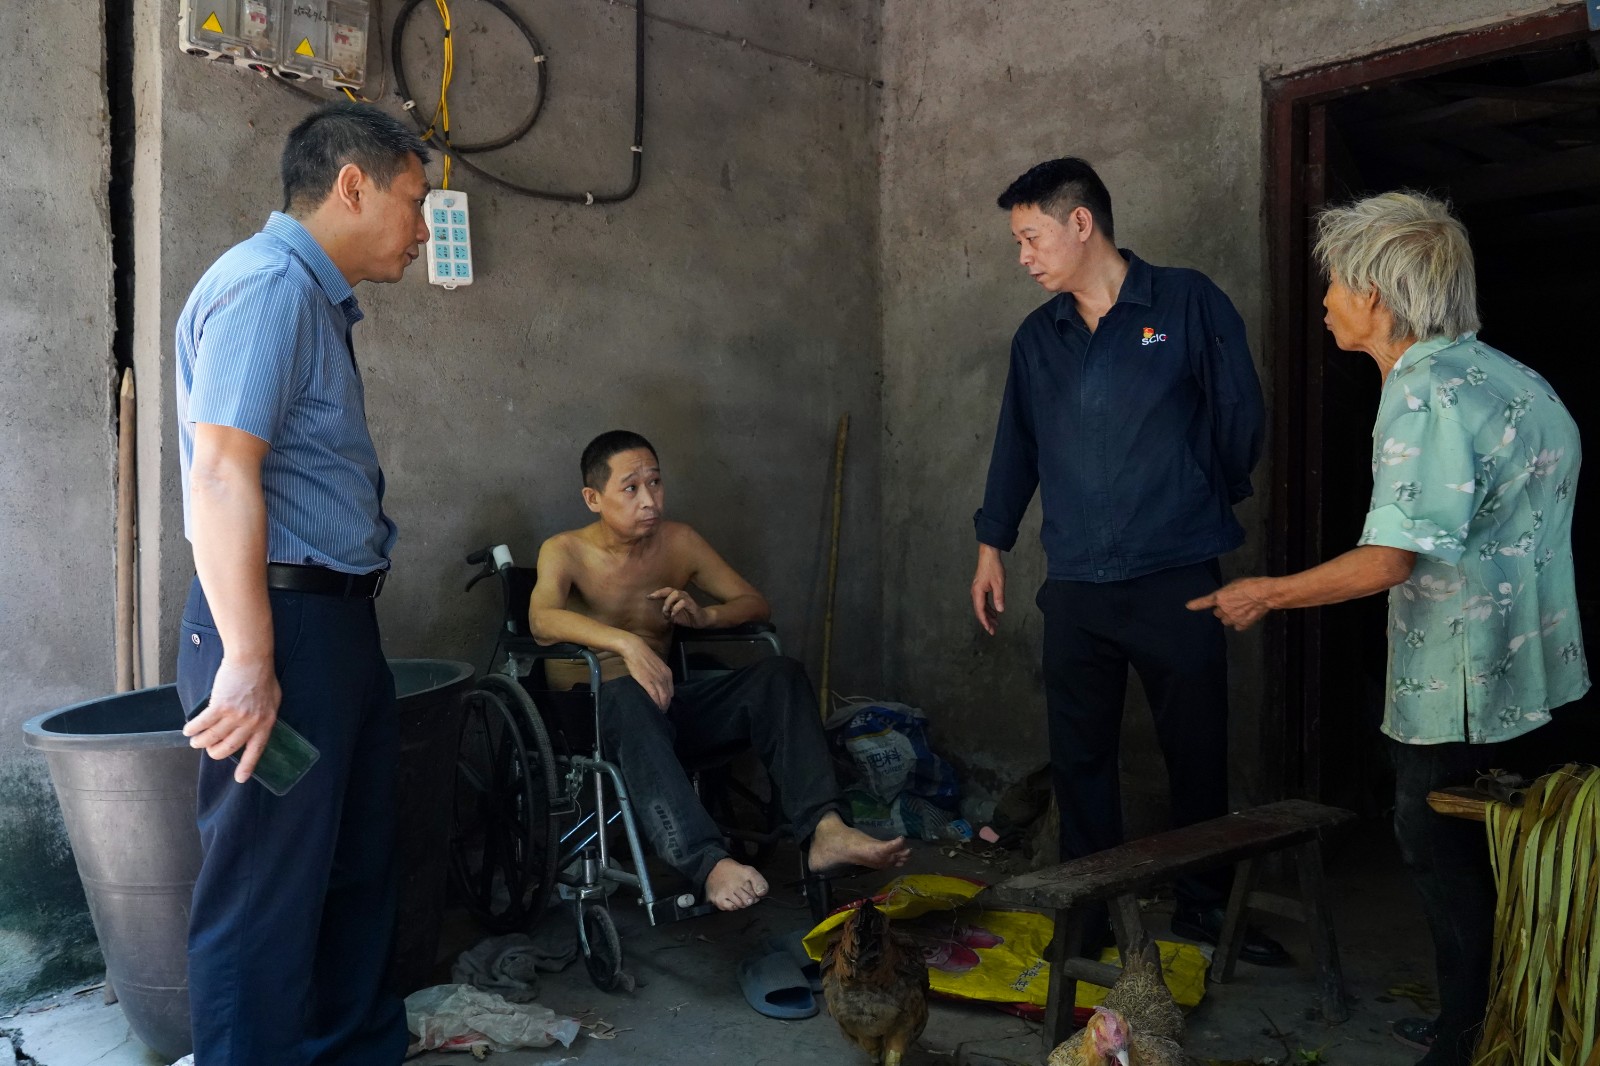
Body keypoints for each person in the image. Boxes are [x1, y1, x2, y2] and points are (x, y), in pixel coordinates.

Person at [1188, 191, 1589, 1066]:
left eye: (1335, 282)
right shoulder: (1512, 377)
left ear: (1374, 293)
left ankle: (1467, 1038)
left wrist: (1265, 593)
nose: (1326, 300)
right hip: (1538, 668)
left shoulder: (1423, 391)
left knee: (1436, 842)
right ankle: (1520, 1018)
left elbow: (1388, 561)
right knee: (1521, 850)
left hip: (1460, 675)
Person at [970, 157, 1284, 963]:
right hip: (1077, 583)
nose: (1023, 257)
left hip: (1175, 575)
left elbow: (1239, 414)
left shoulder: (1184, 303)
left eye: (1031, 237)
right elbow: (1017, 446)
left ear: (1081, 223)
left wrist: (1196, 492)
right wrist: (992, 544)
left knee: (1197, 750)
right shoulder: (1038, 338)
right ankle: (1092, 915)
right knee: (1081, 759)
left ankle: (1205, 908)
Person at [174, 102, 431, 1064]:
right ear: (353, 186)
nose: (422, 228)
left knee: (355, 872)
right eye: (415, 201)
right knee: (264, 890)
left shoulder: (310, 299)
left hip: (332, 628)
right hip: (276, 628)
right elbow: (219, 473)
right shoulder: (270, 286)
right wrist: (250, 658)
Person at [528, 430, 910, 911]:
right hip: (595, 715)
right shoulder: (564, 550)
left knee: (780, 676)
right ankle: (709, 863)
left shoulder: (679, 542)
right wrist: (626, 644)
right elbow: (541, 621)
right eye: (631, 488)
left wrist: (705, 616)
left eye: (655, 482)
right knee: (624, 692)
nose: (649, 499)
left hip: (665, 705)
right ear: (593, 498)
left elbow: (753, 602)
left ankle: (826, 830)